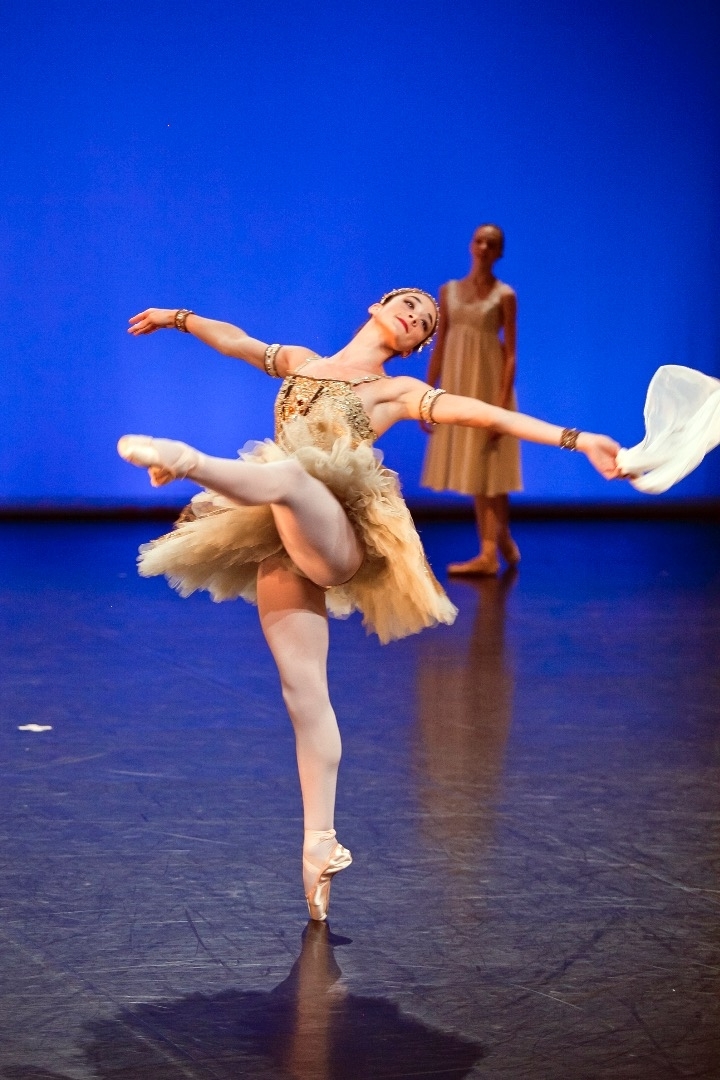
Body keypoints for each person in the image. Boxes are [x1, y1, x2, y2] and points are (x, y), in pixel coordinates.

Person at [118, 291, 621, 921]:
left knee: (292, 478)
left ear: (415, 347)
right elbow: (236, 341)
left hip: (336, 538)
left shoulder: (397, 391)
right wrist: (178, 319)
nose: (414, 316)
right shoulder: (299, 361)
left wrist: (580, 439)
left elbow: (485, 414)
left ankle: (187, 461)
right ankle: (320, 846)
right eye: (409, 305)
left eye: (425, 323)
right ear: (377, 306)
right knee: (303, 695)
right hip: (281, 538)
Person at [422, 224, 523, 575]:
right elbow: (441, 344)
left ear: (499, 253)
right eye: (479, 241)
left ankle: (488, 553)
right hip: (459, 383)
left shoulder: (504, 295)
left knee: (489, 467)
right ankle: (500, 539)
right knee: (482, 469)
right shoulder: (449, 291)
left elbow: (511, 353)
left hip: (490, 384)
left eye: (490, 244)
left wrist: (501, 403)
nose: (483, 248)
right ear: (471, 245)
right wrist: (427, 394)